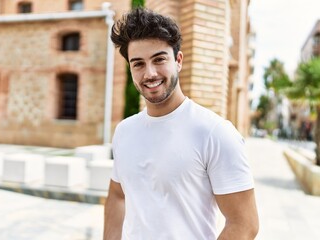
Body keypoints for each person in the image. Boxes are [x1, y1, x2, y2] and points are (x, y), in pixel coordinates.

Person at [104, 8, 259, 240]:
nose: (150, 73)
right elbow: (117, 195)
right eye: (138, 64)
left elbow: (244, 224)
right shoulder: (124, 131)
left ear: (178, 60)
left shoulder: (214, 133)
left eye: (159, 59)